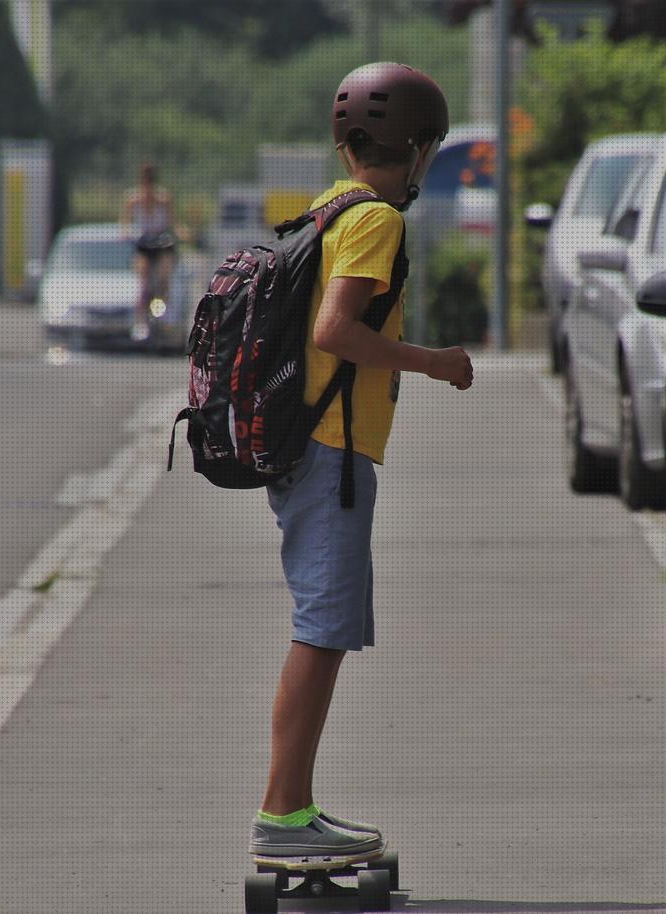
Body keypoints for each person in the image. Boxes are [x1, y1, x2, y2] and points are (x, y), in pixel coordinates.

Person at [248, 62, 474, 858]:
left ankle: (295, 809)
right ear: (412, 149)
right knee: (322, 626)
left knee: (324, 625)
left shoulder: (327, 207)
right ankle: (281, 817)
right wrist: (436, 360)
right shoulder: (377, 220)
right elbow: (336, 332)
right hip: (330, 449)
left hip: (308, 443)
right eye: (432, 151)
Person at [119, 163, 174, 342]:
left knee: (163, 275)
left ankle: (163, 309)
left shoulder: (164, 199)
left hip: (160, 241)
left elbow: (171, 223)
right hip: (143, 242)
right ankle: (140, 320)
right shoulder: (133, 199)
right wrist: (125, 233)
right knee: (142, 280)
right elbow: (125, 223)